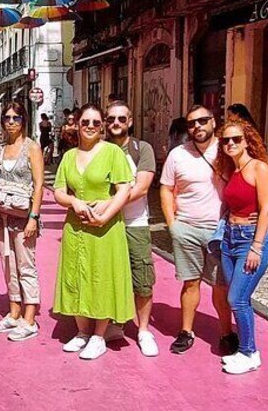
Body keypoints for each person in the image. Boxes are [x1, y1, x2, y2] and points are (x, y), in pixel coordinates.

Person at [53, 104, 133, 361]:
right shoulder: (68, 156)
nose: (90, 126)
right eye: (85, 122)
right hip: (75, 226)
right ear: (77, 125)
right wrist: (73, 202)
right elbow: (58, 191)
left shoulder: (112, 153)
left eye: (96, 123)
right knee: (75, 276)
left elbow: (124, 190)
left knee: (102, 277)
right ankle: (82, 331)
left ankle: (100, 334)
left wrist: (105, 216)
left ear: (102, 127)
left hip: (106, 228)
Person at [160, 105, 235, 355]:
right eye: (192, 123)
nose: (197, 127)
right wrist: (173, 225)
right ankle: (186, 331)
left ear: (213, 122)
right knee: (190, 284)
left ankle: (226, 333)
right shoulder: (177, 155)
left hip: (219, 231)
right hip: (187, 229)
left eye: (203, 121)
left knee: (220, 286)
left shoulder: (227, 150)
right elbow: (166, 189)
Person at [214, 119, 268, 374]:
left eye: (236, 139)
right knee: (239, 298)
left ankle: (250, 353)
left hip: (250, 240)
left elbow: (267, 208)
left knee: (236, 299)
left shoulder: (258, 168)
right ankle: (245, 348)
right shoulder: (233, 170)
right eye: (226, 140)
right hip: (230, 238)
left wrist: (256, 246)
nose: (230, 143)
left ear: (247, 140)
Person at [103, 101, 159, 357]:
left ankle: (144, 330)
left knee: (142, 277)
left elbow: (142, 187)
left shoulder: (141, 149)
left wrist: (109, 203)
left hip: (135, 223)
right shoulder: (99, 150)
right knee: (109, 276)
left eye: (121, 119)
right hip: (105, 224)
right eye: (111, 118)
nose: (116, 123)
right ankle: (114, 322)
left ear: (130, 122)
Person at [0, 102, 45, 342]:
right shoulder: (0, 148)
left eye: (16, 118)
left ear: (24, 121)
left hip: (24, 217)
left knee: (26, 265)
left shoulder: (31, 148)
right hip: (2, 216)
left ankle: (29, 318)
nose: (11, 122)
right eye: (7, 118)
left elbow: (40, 184)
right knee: (7, 264)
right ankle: (14, 311)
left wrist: (34, 216)